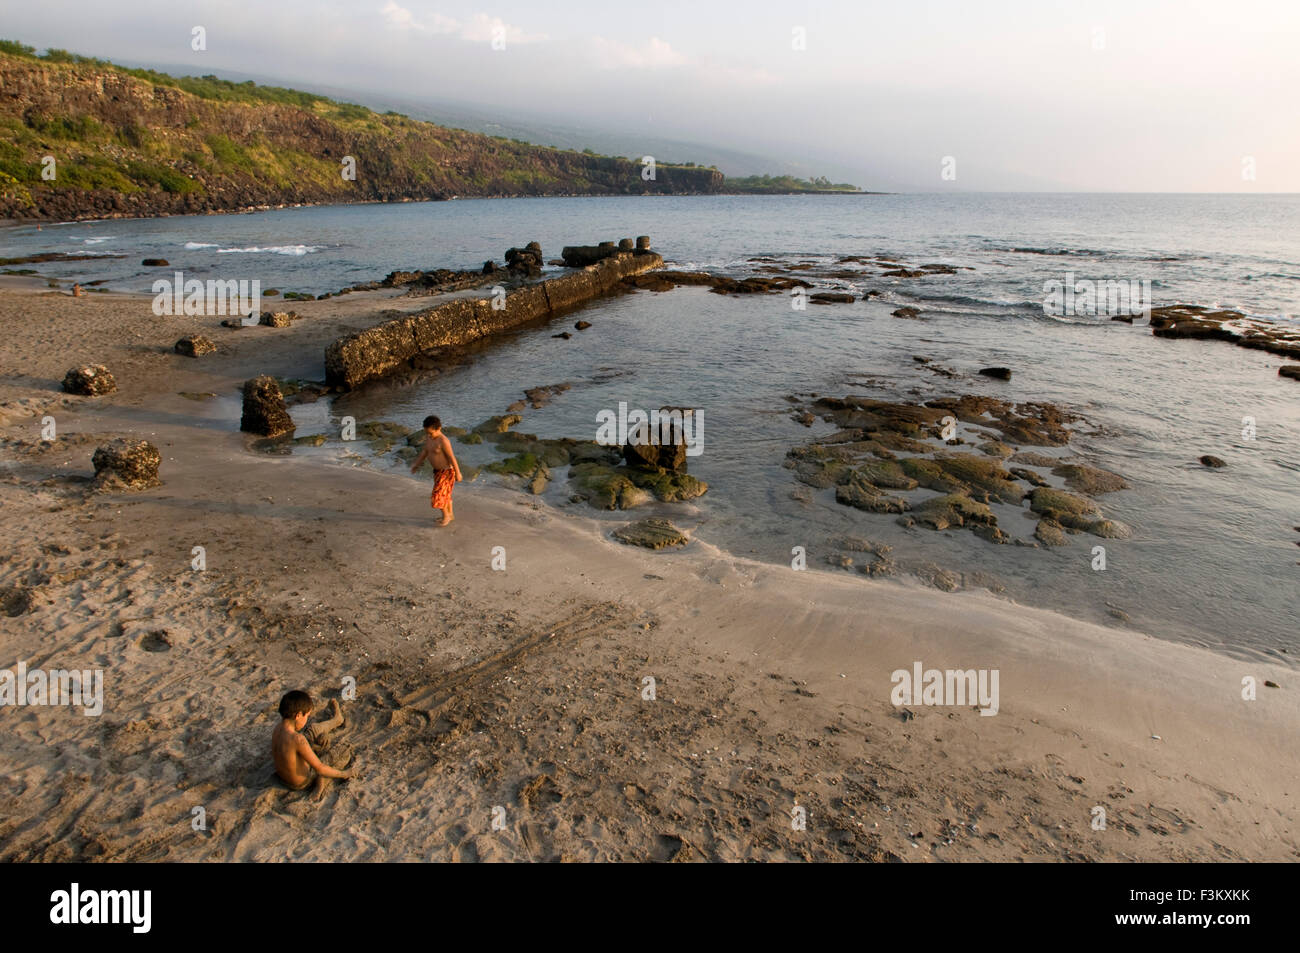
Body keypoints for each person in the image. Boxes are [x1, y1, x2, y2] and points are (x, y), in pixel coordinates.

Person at [271, 691, 357, 791]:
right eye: (307, 716)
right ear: (298, 715)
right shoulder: (298, 739)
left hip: (284, 778)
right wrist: (345, 774)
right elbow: (320, 768)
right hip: (303, 781)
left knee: (312, 730)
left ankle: (337, 720)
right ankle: (322, 780)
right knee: (344, 750)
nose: (306, 719)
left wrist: (314, 747)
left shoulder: (277, 729)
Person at [410, 414, 462, 526]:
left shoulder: (444, 441)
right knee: (445, 495)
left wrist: (458, 473)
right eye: (427, 433)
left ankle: (446, 516)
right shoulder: (429, 438)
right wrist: (416, 464)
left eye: (431, 433)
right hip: (437, 472)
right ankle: (450, 514)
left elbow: (452, 457)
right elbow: (425, 452)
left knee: (437, 495)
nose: (429, 435)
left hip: (447, 472)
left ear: (439, 428)